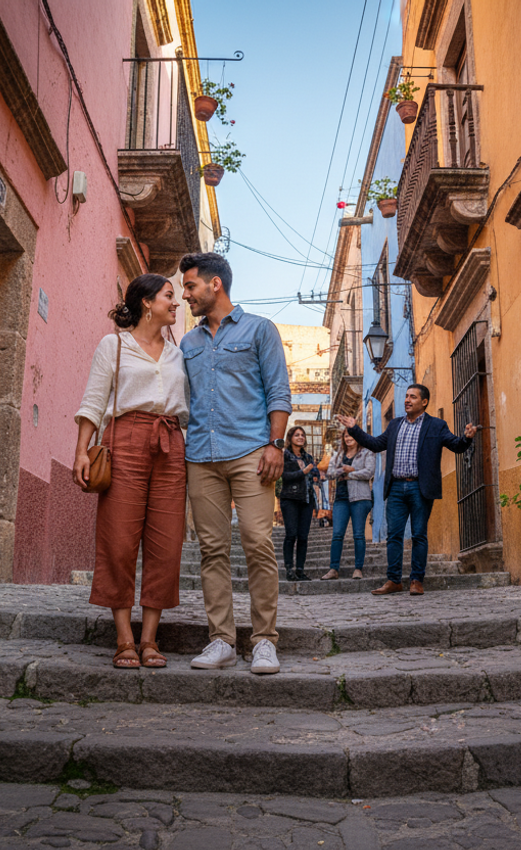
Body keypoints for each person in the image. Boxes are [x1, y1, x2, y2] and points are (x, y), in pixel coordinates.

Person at [179, 252, 292, 675]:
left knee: (258, 543)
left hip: (250, 453)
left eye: (191, 286)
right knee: (212, 550)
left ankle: (264, 641)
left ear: (215, 285)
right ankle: (221, 640)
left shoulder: (260, 330)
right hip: (201, 457)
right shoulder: (187, 344)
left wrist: (275, 444)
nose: (186, 295)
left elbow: (278, 390)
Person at [73, 274, 188, 669]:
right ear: (146, 303)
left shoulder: (177, 353)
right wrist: (82, 451)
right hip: (124, 439)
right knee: (118, 540)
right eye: (170, 297)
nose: (176, 304)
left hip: (171, 445)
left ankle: (150, 640)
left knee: (167, 545)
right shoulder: (114, 345)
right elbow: (93, 400)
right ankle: (124, 638)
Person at [337, 384, 478, 596]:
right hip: (395, 487)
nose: (407, 400)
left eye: (413, 397)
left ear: (424, 402)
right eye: (406, 396)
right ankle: (394, 580)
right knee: (394, 535)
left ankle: (416, 580)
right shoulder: (395, 425)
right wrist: (354, 429)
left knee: (419, 534)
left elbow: (455, 445)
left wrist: (466, 438)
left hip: (420, 487)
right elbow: (375, 444)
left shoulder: (436, 425)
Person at [321, 428, 375, 580]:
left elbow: (369, 472)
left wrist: (350, 473)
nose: (348, 437)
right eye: (346, 435)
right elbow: (330, 472)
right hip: (341, 499)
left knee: (358, 535)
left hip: (360, 498)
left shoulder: (367, 452)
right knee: (337, 534)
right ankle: (333, 569)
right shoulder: (338, 454)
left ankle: (358, 568)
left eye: (351, 435)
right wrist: (343, 469)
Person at [278, 426, 317, 581]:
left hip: (306, 500)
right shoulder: (284, 455)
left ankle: (300, 570)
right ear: (291, 438)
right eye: (297, 435)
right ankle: (289, 569)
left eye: (302, 435)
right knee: (291, 534)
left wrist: (313, 473)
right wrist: (303, 472)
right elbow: (283, 476)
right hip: (290, 499)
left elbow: (314, 475)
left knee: (303, 536)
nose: (301, 437)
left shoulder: (308, 457)